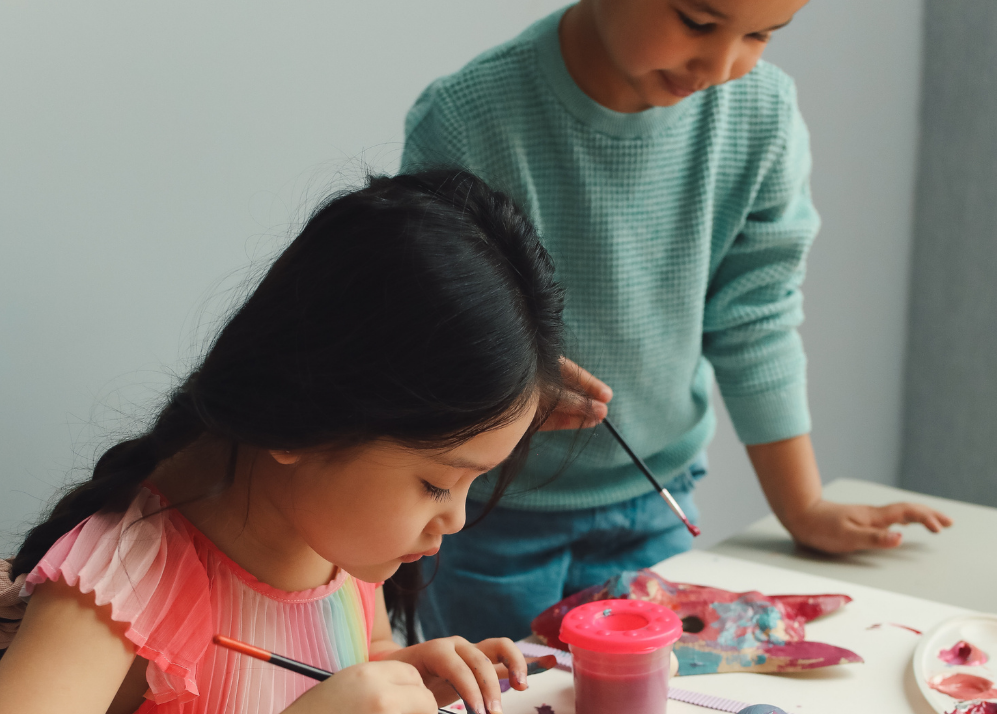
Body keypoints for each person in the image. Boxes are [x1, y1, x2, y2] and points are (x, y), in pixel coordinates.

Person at [0, 171, 568, 714]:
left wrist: (398, 681)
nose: (455, 518)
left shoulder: (335, 545)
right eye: (437, 483)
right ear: (304, 418)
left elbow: (348, 657)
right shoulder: (130, 574)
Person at [401, 0, 953, 643]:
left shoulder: (761, 115)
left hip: (654, 501)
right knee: (501, 704)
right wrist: (513, 382)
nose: (720, 66)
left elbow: (756, 316)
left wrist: (802, 506)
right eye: (698, 22)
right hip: (486, 513)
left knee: (654, 697)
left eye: (760, 35)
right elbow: (423, 322)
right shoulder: (467, 119)